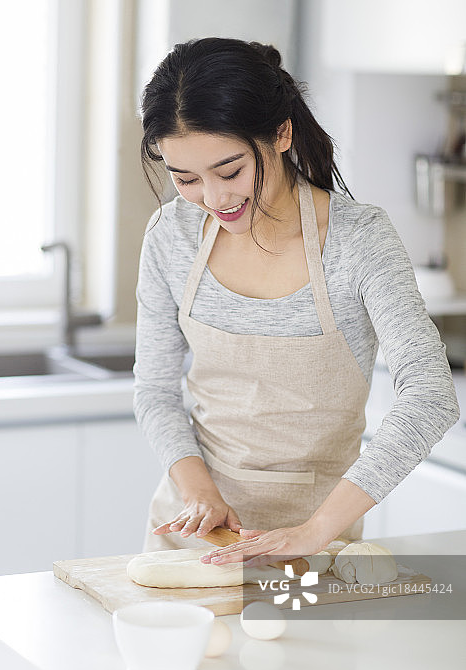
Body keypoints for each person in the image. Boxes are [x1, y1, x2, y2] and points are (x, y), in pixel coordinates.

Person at [133, 37, 459, 568]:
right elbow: (154, 389)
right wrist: (200, 493)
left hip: (316, 547)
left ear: (281, 133)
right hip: (193, 536)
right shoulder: (172, 234)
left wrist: (313, 532)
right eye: (185, 179)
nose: (214, 200)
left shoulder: (359, 240)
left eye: (231, 171)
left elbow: (430, 396)